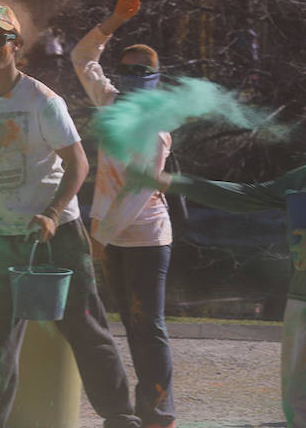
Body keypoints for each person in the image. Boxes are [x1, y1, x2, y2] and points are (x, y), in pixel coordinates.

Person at [0, 4, 141, 428]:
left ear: (15, 44)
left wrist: (51, 211)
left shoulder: (42, 100)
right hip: (0, 237)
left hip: (57, 233)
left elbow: (78, 164)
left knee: (84, 324)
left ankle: (120, 417)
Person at [70, 0, 176, 428]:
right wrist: (113, 20)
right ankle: (143, 407)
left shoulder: (156, 126)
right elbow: (82, 58)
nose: (132, 77)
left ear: (155, 78)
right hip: (113, 237)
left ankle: (160, 413)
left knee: (147, 325)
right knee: (131, 326)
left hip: (146, 236)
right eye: (126, 70)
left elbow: (137, 189)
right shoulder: (111, 104)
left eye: (141, 71)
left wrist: (98, 233)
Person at [130, 164, 306, 428]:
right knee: (299, 403)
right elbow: (244, 196)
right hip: (302, 298)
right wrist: (171, 182)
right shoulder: (302, 176)